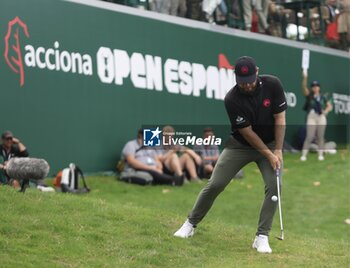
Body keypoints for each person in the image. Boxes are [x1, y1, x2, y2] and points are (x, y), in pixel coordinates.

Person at [174, 56, 287, 254]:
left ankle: (261, 237)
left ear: (257, 72)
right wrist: (269, 155)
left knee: (275, 188)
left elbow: (280, 117)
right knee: (216, 183)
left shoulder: (273, 85)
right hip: (240, 145)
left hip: (270, 142)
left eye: (250, 80)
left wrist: (277, 150)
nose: (247, 85)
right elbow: (248, 133)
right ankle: (190, 224)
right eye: (242, 82)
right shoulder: (231, 99)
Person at [300, 72, 333, 162]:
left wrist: (325, 112)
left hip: (321, 116)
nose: (315, 88)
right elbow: (304, 87)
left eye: (317, 86)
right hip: (312, 116)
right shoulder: (309, 96)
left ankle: (320, 155)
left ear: (319, 87)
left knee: (320, 137)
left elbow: (329, 106)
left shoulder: (323, 97)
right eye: (313, 86)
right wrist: (305, 77)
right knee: (309, 136)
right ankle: (303, 155)